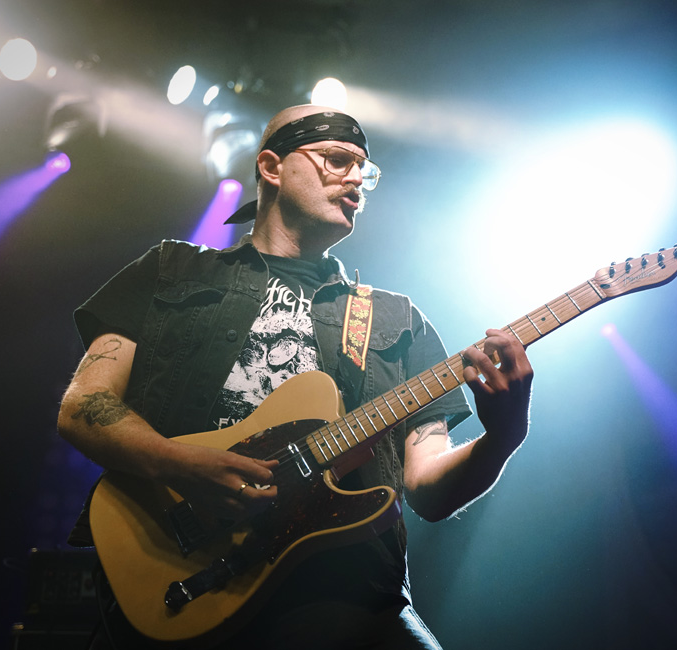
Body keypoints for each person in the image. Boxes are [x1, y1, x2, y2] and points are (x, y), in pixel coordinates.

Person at [57, 104, 533, 649]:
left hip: (345, 596)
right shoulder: (170, 272)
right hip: (180, 565)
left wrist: (503, 437)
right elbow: (84, 407)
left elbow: (425, 490)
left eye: (365, 171)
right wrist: (185, 466)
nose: (356, 179)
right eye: (337, 160)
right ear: (271, 167)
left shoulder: (398, 319)